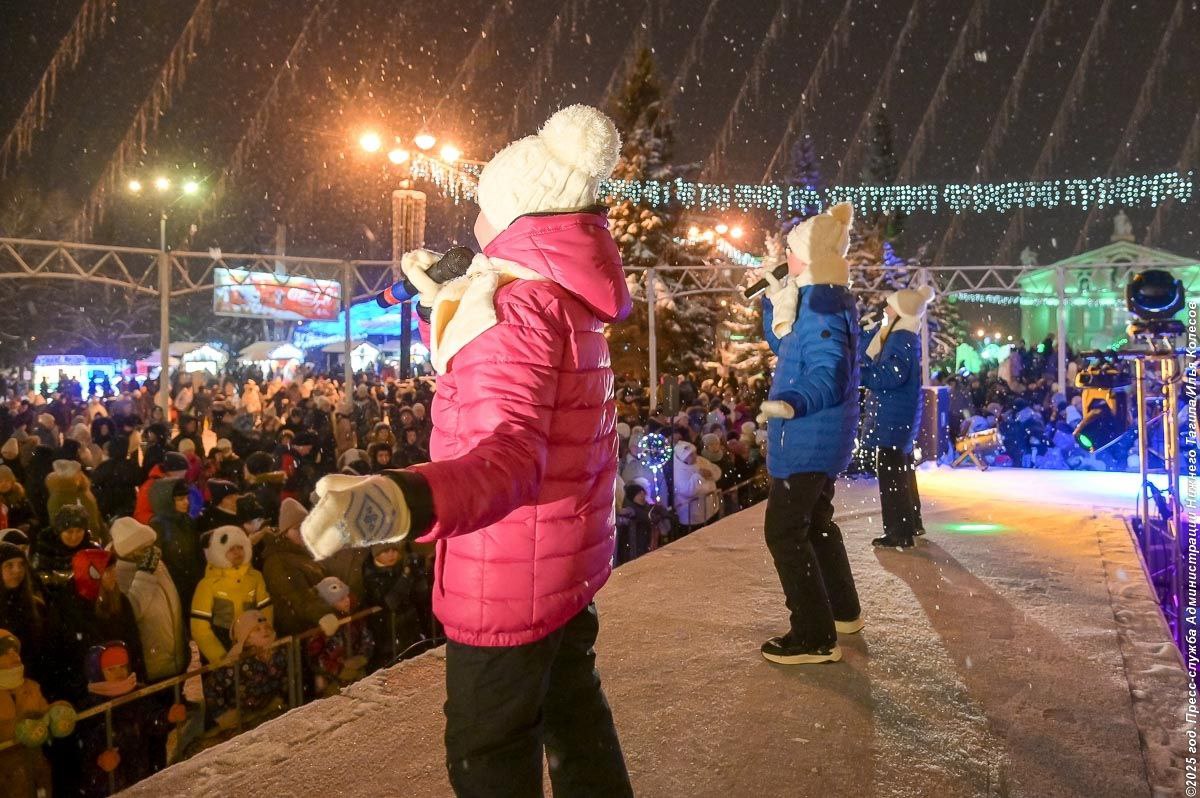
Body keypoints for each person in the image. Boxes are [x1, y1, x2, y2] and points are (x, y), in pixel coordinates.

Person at [302, 105, 633, 795]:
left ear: (513, 218)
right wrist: (445, 305)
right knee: (575, 718)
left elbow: (506, 452)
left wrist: (401, 498)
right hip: (561, 567)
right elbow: (517, 388)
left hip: (505, 580)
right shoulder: (562, 302)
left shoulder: (516, 314)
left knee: (489, 755)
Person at [756, 202, 864, 665]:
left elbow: (829, 372)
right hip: (818, 438)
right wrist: (772, 300)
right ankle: (842, 612)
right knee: (816, 523)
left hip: (807, 437)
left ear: (809, 257)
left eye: (791, 250)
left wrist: (793, 402)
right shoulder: (820, 297)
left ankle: (813, 635)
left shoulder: (821, 302)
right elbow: (789, 346)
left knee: (784, 532)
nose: (785, 255)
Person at [861, 286, 932, 548]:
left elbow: (891, 375)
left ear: (901, 312)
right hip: (899, 414)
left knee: (891, 473)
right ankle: (911, 523)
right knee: (901, 469)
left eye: (890, 305)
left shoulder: (899, 337)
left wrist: (863, 377)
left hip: (893, 415)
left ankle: (898, 531)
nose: (885, 309)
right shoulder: (901, 335)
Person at [110, 516, 186, 683]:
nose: (149, 550)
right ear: (129, 551)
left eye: (149, 545)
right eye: (143, 547)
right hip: (153, 657)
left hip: (174, 649)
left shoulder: (155, 562)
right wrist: (144, 573)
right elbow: (132, 611)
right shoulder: (118, 574)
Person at [190, 525, 272, 664]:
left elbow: (266, 610)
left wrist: (264, 638)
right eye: (231, 549)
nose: (237, 552)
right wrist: (220, 658)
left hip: (252, 647)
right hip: (222, 646)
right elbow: (199, 628)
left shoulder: (255, 577)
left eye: (240, 547)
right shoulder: (207, 585)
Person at [260, 498, 340, 638]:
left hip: (317, 630)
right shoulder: (278, 560)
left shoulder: (304, 553)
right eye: (297, 528)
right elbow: (297, 595)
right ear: (284, 532)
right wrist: (323, 614)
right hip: (303, 633)